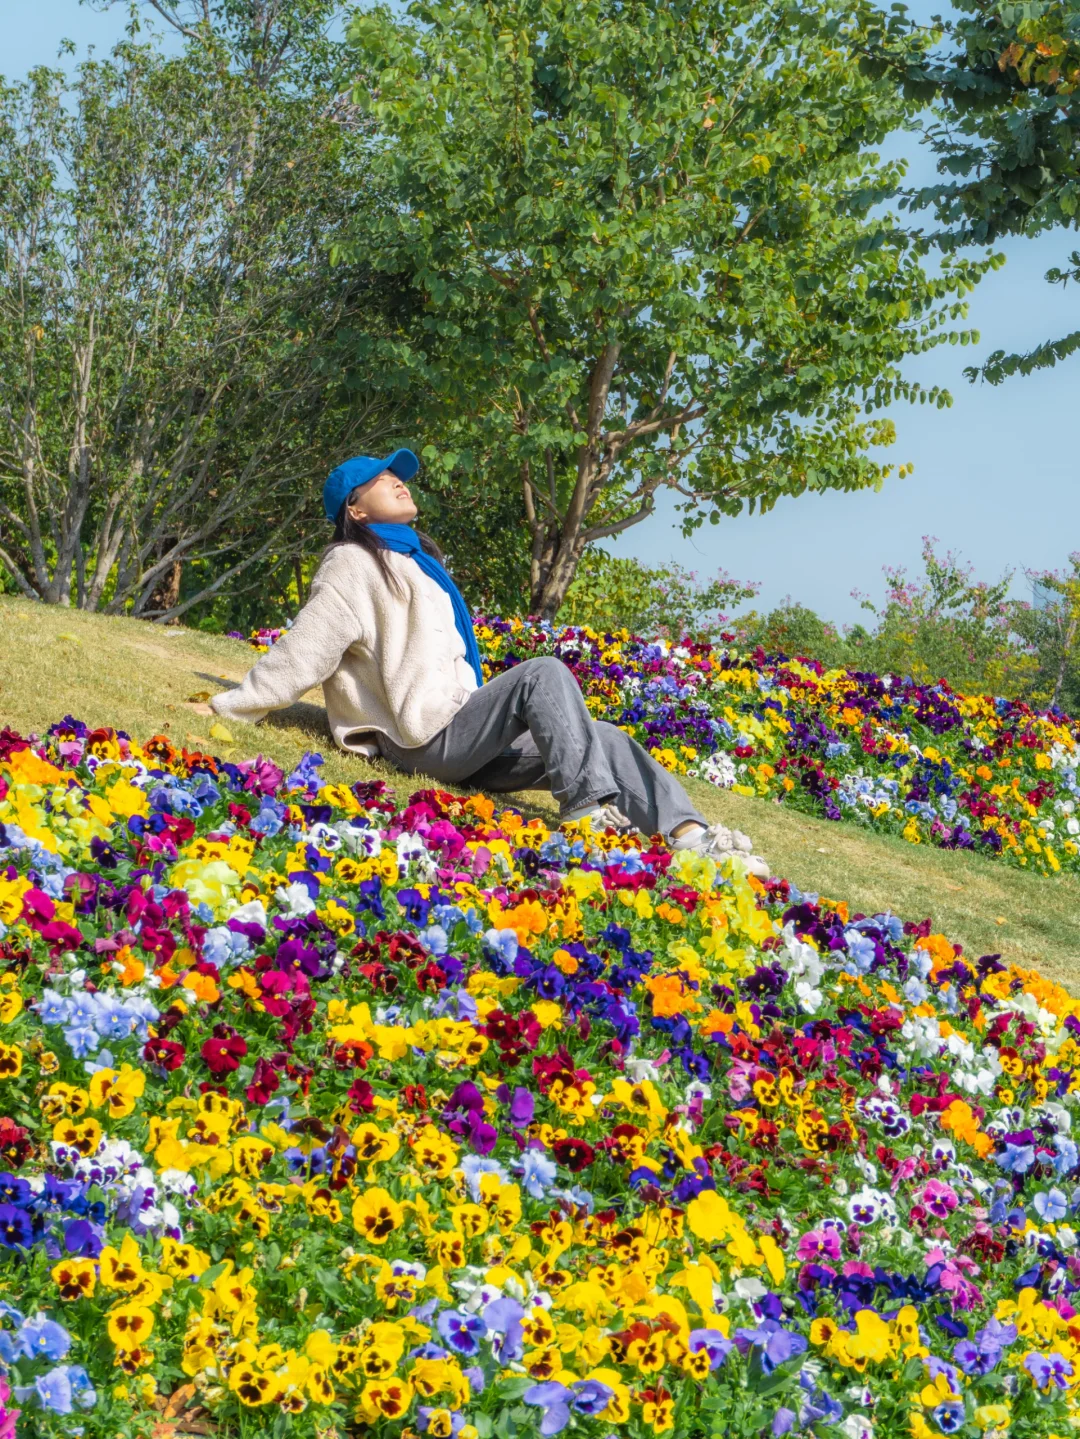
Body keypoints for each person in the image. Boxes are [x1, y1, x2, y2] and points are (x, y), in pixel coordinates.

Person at [210, 450, 769, 875]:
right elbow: (306, 648)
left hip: (463, 735)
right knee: (542, 674)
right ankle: (586, 818)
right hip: (424, 738)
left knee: (605, 738)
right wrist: (235, 705)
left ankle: (693, 838)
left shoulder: (413, 560)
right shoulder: (352, 563)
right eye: (382, 480)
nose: (399, 482)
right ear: (354, 509)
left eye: (398, 476)